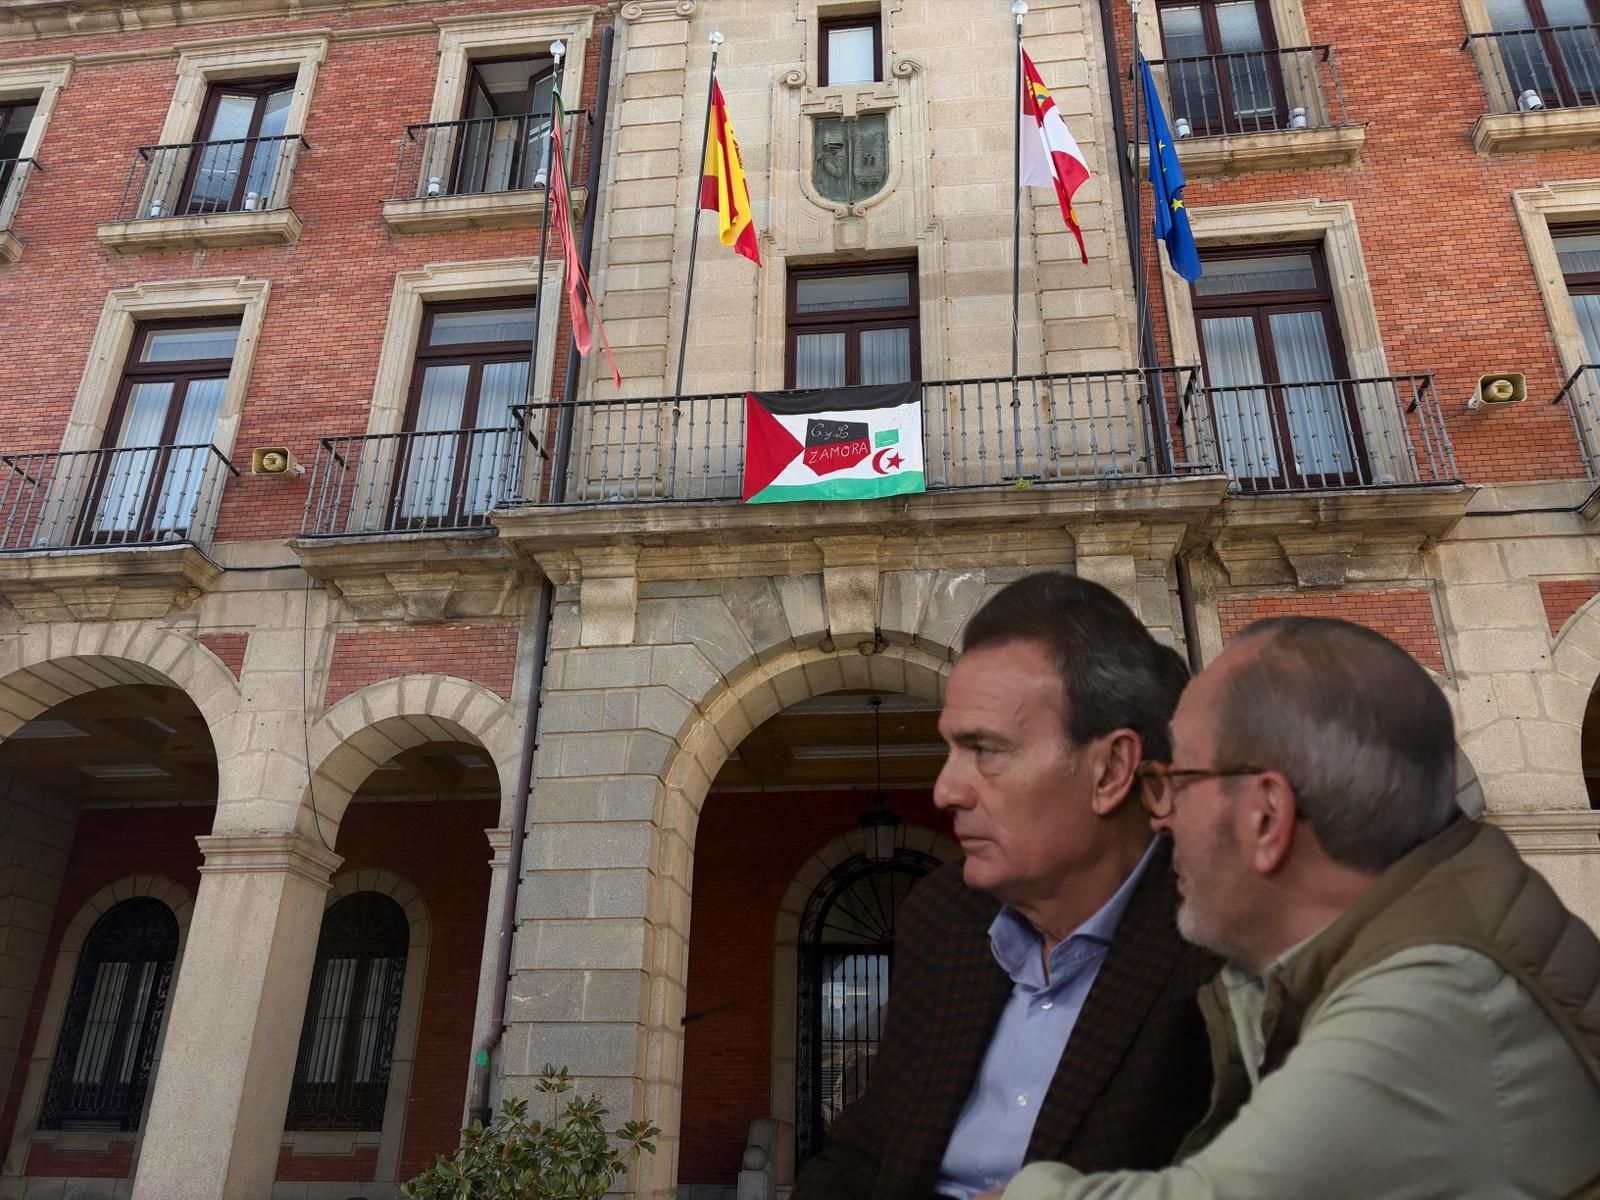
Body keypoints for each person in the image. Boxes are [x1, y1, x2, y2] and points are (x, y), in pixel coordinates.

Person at [987, 616, 1600, 1200]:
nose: (1159, 814)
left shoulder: (1439, 993)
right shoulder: (1338, 962)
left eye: (1174, 782)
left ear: (1267, 815)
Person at [791, 573, 1220, 1200]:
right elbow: (862, 1150)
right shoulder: (944, 916)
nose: (945, 791)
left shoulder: (1223, 936)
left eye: (985, 751)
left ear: (1111, 769)